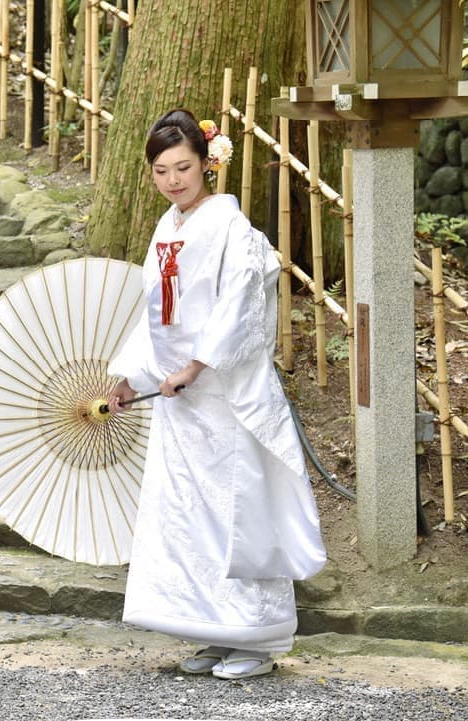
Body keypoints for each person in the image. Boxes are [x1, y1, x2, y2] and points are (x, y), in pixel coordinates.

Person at [106, 109, 326, 680]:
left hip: (226, 395)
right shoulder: (166, 229)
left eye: (183, 167)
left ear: (207, 163)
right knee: (187, 511)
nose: (173, 180)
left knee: (237, 509)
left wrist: (197, 364)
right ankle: (210, 628)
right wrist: (132, 376)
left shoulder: (231, 228)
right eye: (161, 171)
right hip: (181, 401)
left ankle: (254, 637)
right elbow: (157, 315)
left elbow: (240, 307)